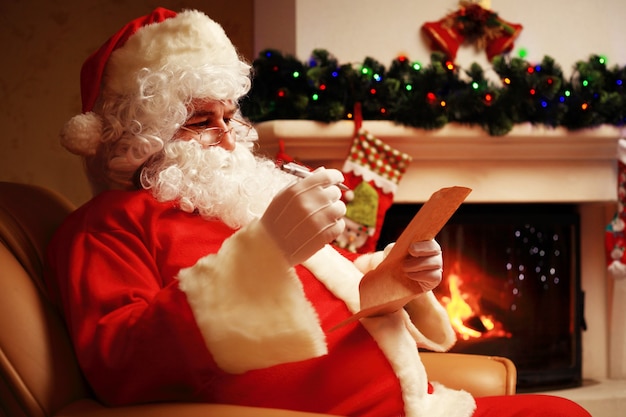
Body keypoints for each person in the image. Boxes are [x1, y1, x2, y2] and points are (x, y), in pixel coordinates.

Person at [46, 7, 591, 417]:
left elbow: (334, 300)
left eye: (229, 115)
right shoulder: (104, 228)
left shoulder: (236, 197)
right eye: (198, 119)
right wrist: (263, 256)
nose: (227, 137)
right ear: (140, 136)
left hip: (416, 400)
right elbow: (121, 365)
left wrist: (393, 279)